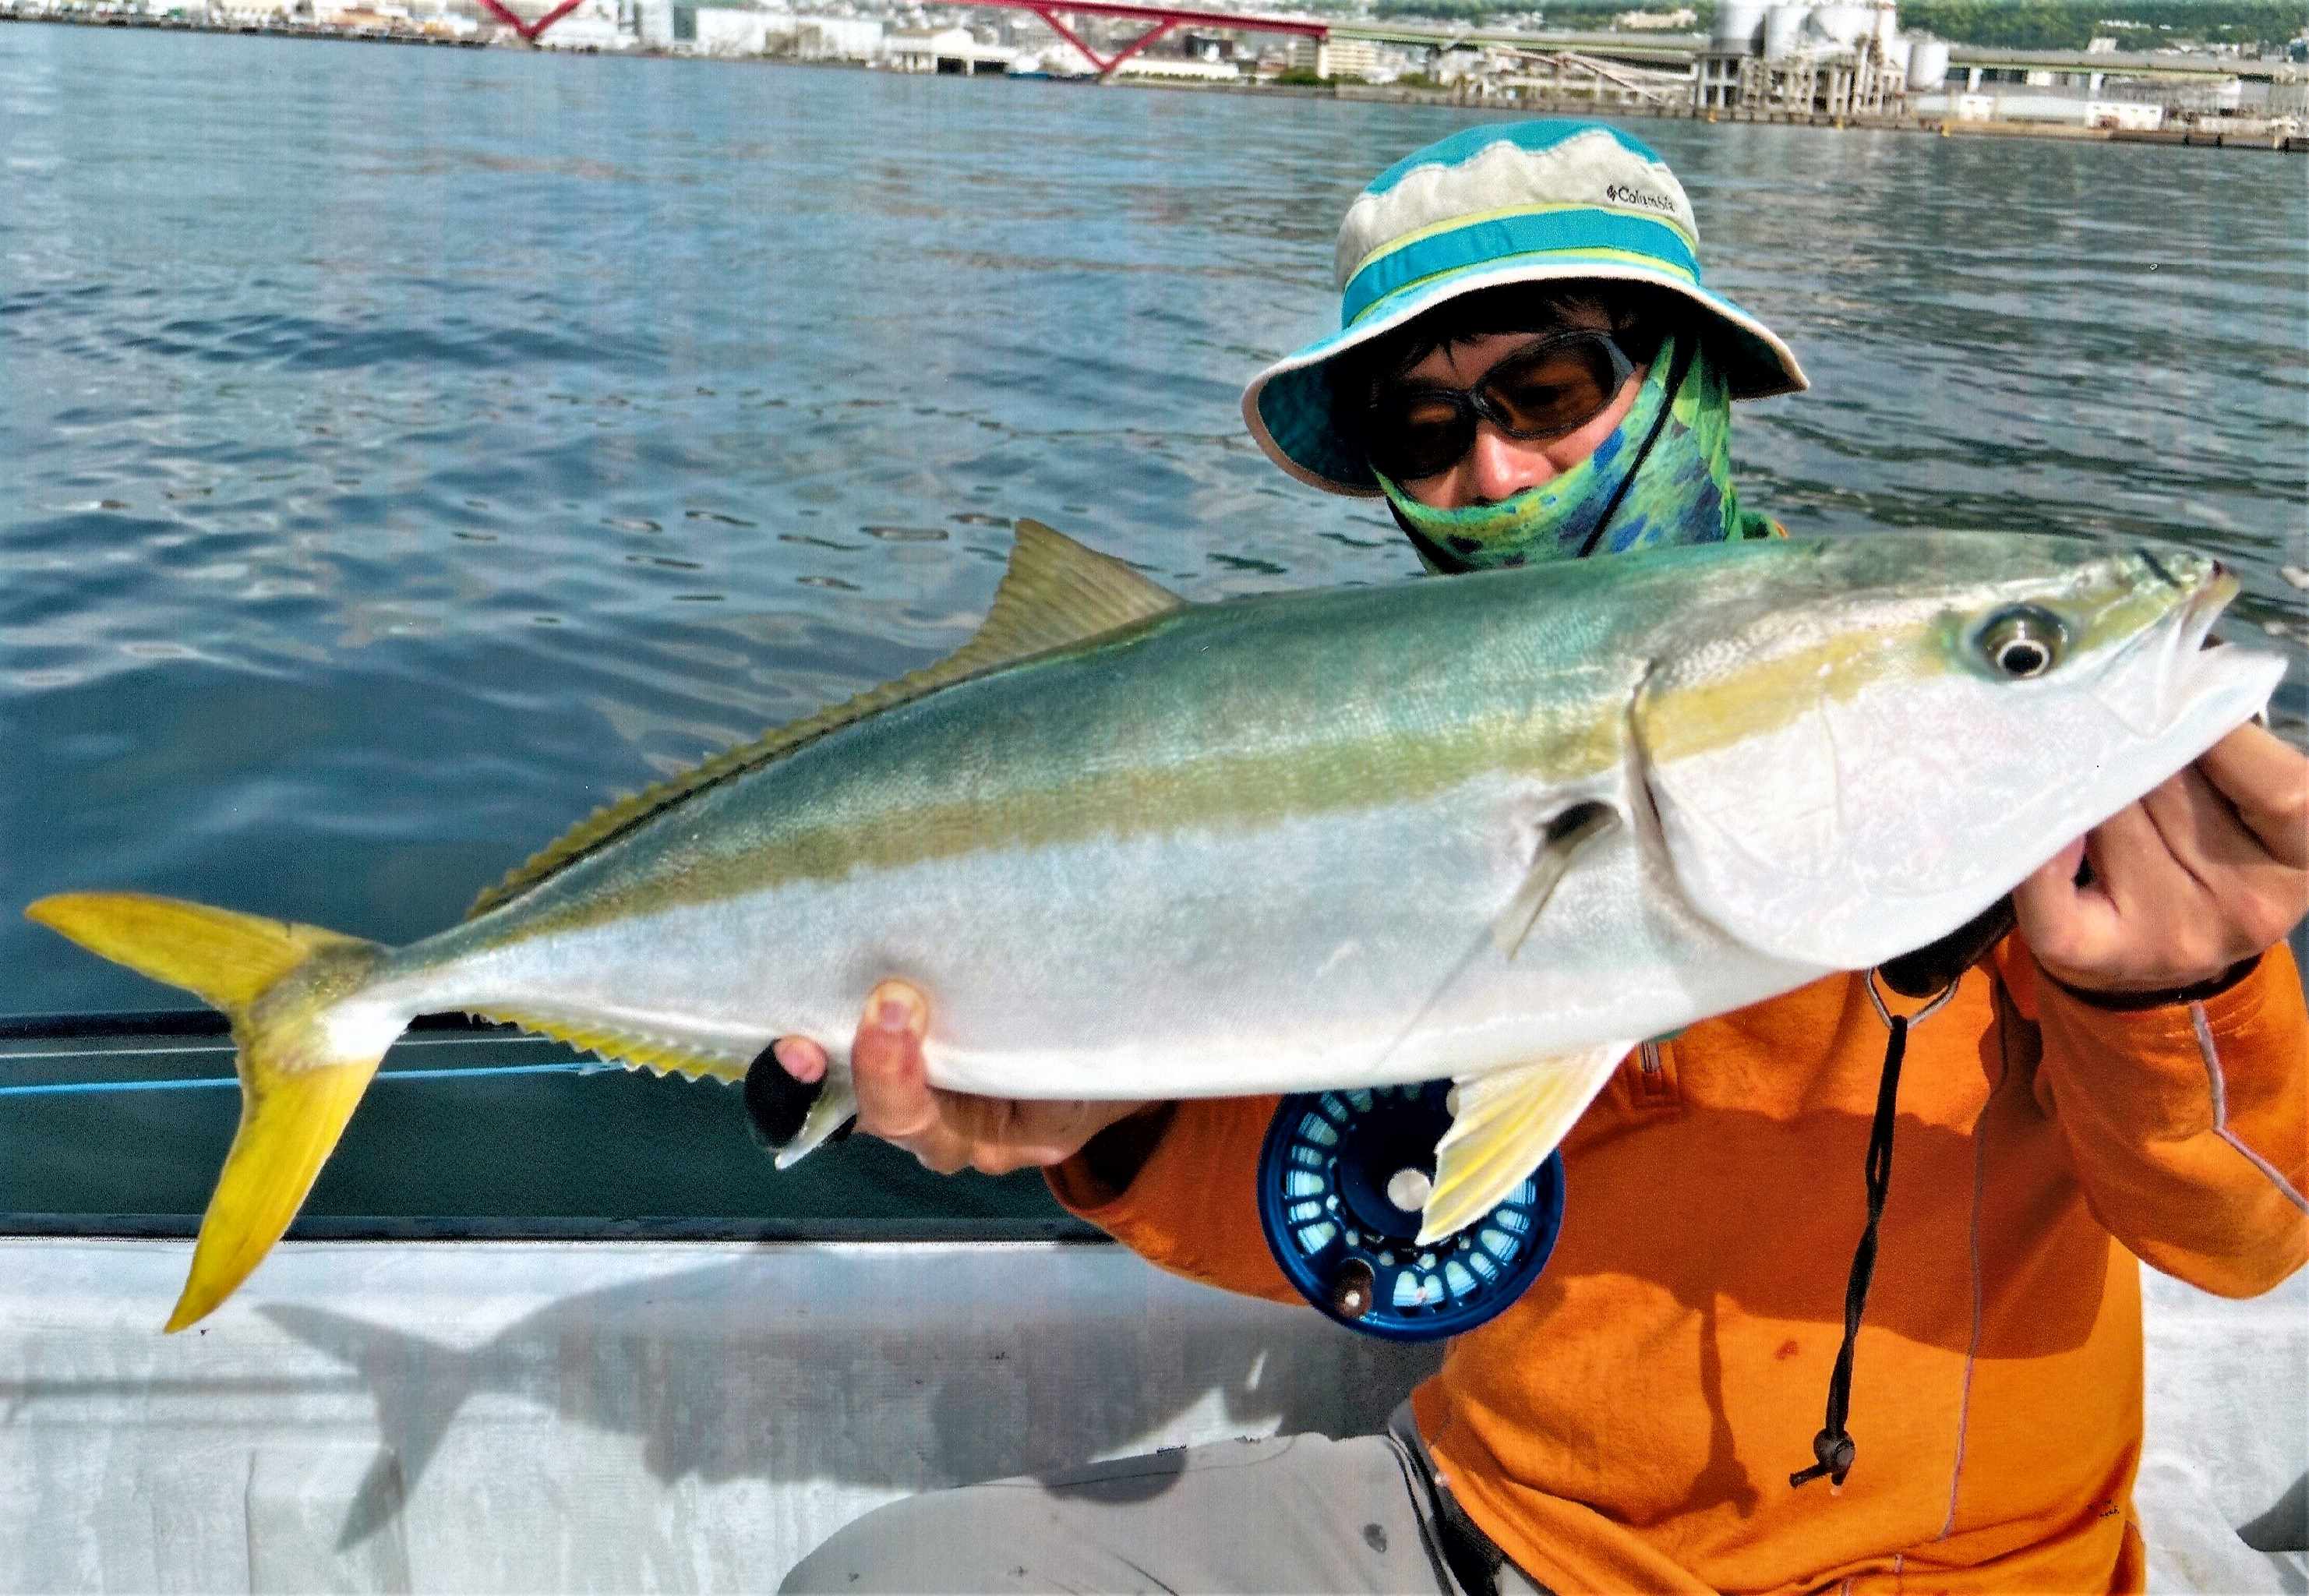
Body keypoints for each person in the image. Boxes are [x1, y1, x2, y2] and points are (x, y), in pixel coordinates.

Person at [775, 122, 2308, 1594]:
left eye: (1551, 386)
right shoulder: (1376, 736)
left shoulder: (1980, 761)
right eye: (1425, 430)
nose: (1497, 474)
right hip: (1492, 1530)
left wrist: (2180, 997)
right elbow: (1372, 1218)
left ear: (1687, 378)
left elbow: (2248, 1236)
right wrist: (1099, 1125)